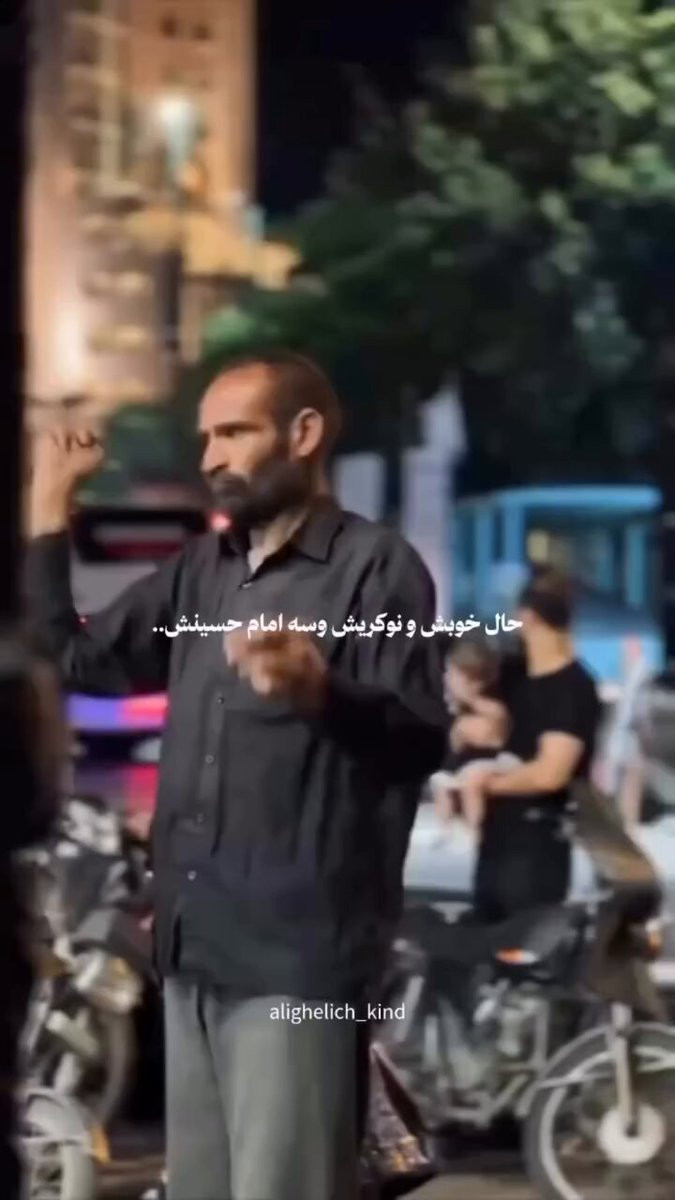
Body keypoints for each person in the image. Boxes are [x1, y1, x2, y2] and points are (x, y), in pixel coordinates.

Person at [24, 352, 447, 1200]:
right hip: (192, 951)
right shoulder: (201, 572)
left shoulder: (376, 567)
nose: (211, 456)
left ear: (303, 433)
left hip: (298, 962)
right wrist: (48, 503)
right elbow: (73, 659)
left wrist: (319, 689)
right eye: (205, 437)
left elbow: (417, 739)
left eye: (233, 433)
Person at [465, 566, 602, 923]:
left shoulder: (571, 687)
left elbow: (550, 773)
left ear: (527, 617)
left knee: (524, 947)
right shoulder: (512, 676)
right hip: (495, 844)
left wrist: (486, 783)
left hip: (536, 851)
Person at [429, 639, 515, 829]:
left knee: (472, 781)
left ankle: (474, 827)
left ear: (476, 681)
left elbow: (497, 735)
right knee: (440, 781)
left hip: (492, 761)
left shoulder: (491, 705)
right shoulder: (455, 710)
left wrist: (469, 698)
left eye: (453, 674)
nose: (447, 678)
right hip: (464, 763)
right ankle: (446, 828)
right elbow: (455, 744)